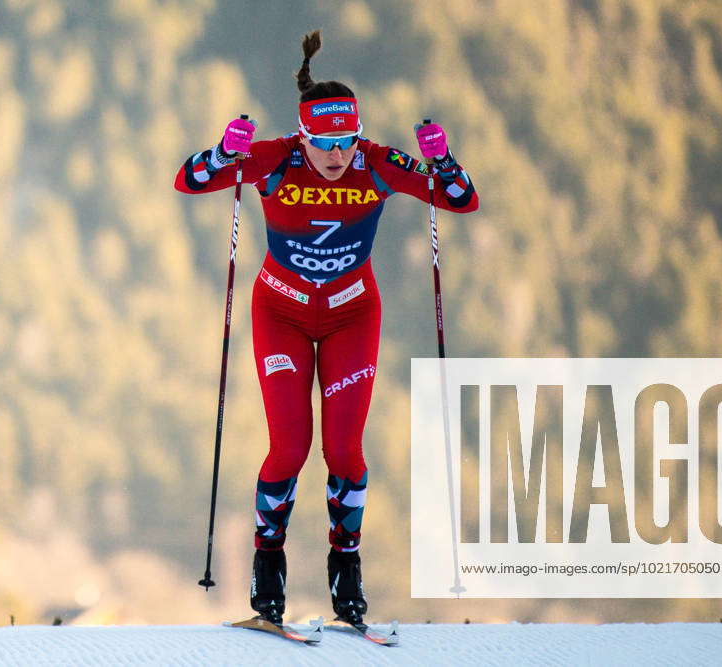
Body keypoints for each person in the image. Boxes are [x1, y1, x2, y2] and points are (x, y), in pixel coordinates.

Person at [174, 30, 478, 625]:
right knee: (290, 446)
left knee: (344, 450)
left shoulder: (380, 163)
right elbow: (189, 180)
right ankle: (268, 572)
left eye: (346, 141)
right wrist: (221, 152)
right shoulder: (275, 158)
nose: (336, 155)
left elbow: (461, 200)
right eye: (323, 142)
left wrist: (441, 162)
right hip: (281, 311)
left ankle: (347, 574)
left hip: (352, 315)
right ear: (303, 136)